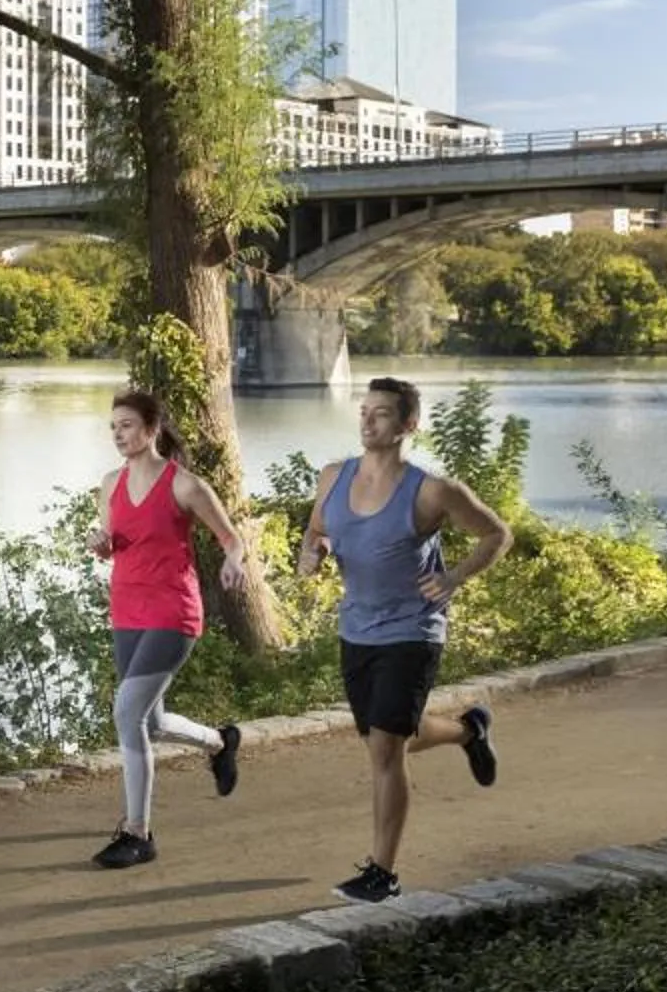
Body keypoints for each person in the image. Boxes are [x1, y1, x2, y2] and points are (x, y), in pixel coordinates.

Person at [298, 376, 513, 903]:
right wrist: (312, 553)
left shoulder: (432, 491)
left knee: (386, 750)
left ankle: (382, 873)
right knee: (384, 739)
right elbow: (317, 529)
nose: (367, 421)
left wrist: (454, 577)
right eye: (365, 411)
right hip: (357, 629)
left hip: (412, 630)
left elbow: (497, 534)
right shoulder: (332, 477)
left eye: (382, 414)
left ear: (408, 425)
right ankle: (468, 731)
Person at [88, 388, 257, 869]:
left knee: (127, 715)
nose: (119, 434)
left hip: (173, 612)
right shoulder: (109, 484)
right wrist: (98, 543)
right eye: (113, 427)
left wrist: (232, 562)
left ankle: (137, 833)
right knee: (153, 722)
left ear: (151, 428)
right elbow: (110, 541)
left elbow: (232, 539)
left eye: (127, 425)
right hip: (127, 610)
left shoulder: (185, 485)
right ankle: (220, 742)